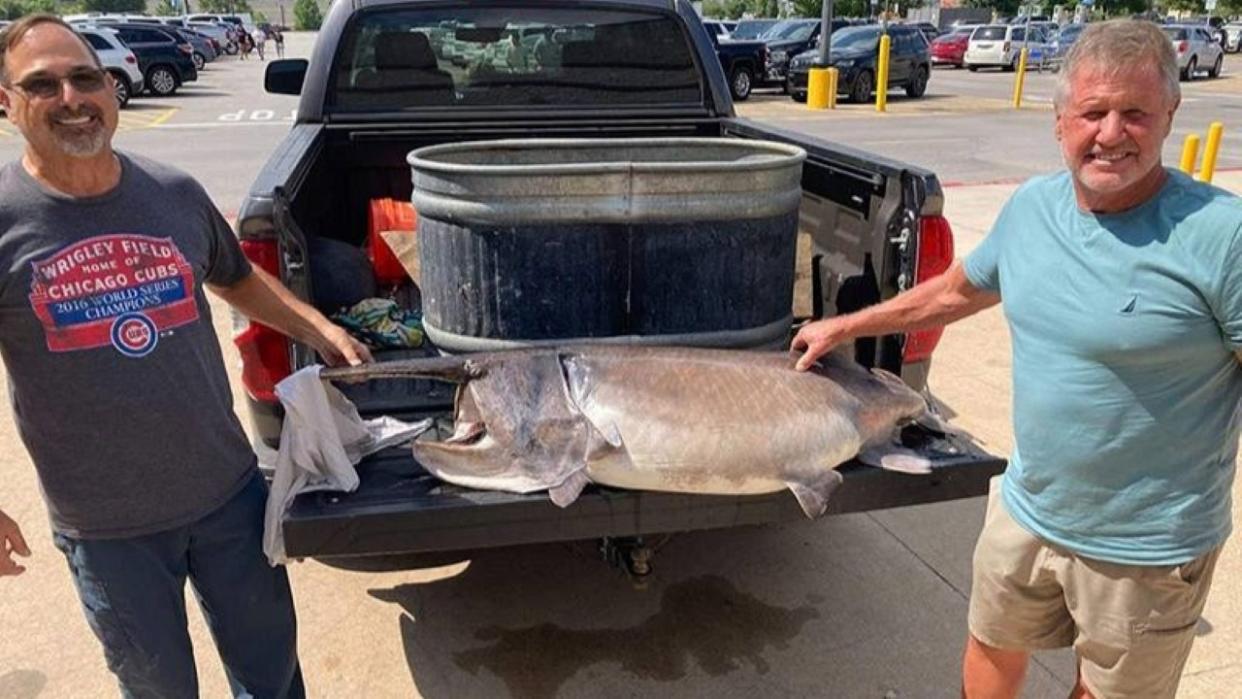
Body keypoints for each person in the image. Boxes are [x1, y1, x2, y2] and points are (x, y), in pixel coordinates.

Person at [793, 19, 1240, 699]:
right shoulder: (1033, 209)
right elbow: (955, 291)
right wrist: (843, 326)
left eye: (1136, 113)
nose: (1112, 133)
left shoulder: (1220, 236)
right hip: (1029, 506)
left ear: (1170, 116)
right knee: (990, 646)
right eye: (1093, 112)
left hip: (1145, 545)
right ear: (1060, 120)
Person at [0, 15, 372, 697]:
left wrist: (316, 326)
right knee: (160, 687)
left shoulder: (170, 192)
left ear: (112, 89)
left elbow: (234, 276)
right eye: (42, 85)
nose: (71, 98)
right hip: (108, 530)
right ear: (8, 102)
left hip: (227, 494)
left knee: (273, 673)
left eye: (85, 78)